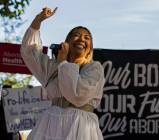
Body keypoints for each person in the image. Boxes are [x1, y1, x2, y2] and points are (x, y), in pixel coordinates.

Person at [21, 7, 105, 140]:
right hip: (50, 125)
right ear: (67, 42)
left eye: (87, 38)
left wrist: (63, 63)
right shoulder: (52, 68)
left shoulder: (94, 68)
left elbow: (77, 96)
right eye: (76, 35)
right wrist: (38, 20)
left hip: (80, 128)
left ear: (90, 47)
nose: (81, 39)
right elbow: (29, 52)